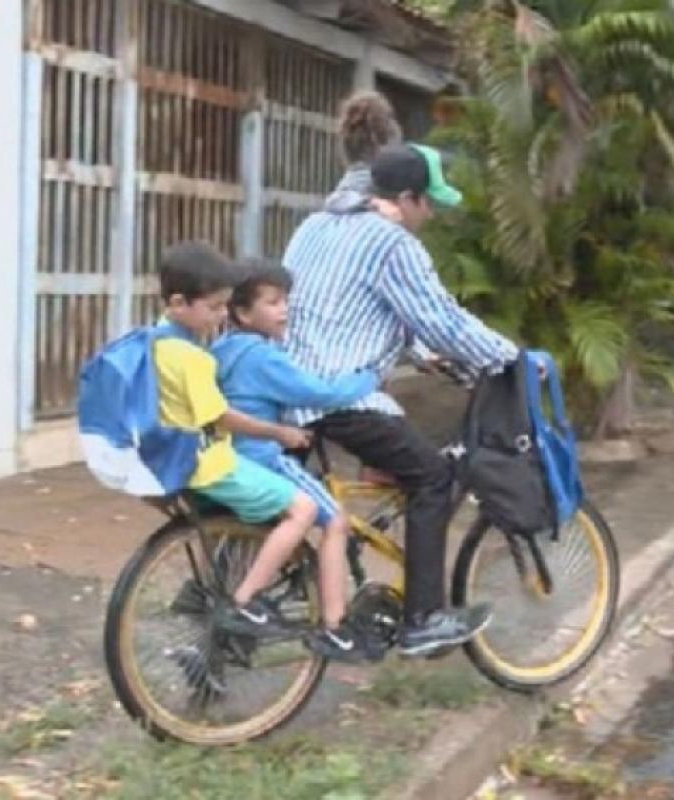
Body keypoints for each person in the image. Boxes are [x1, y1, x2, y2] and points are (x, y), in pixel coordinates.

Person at [282, 143, 520, 657]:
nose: (430, 214)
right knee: (433, 477)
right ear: (406, 198)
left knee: (291, 500)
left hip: (282, 390)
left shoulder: (316, 226)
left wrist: (420, 351)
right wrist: (509, 359)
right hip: (335, 395)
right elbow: (443, 318)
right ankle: (423, 619)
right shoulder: (393, 243)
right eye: (428, 202)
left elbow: (348, 306)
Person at [151, 241, 319, 641]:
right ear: (178, 302)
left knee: (242, 528)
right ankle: (246, 603)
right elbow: (220, 416)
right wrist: (279, 432)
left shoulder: (156, 337)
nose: (220, 316)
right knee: (303, 509)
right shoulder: (191, 357)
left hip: (170, 458)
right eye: (213, 308)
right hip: (206, 463)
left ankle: (204, 596)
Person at [211, 260, 379, 660]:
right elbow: (318, 392)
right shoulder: (262, 357)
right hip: (261, 458)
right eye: (272, 302)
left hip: (225, 454)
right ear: (243, 312)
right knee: (334, 520)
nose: (284, 309)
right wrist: (368, 378)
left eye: (285, 300)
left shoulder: (224, 348)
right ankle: (334, 626)